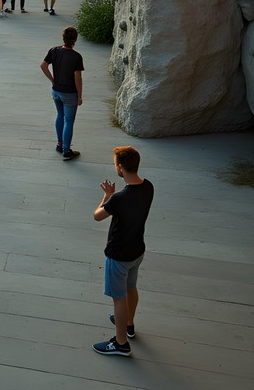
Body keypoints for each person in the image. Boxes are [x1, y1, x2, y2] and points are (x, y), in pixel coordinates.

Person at [92, 146, 154, 357]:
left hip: (118, 254)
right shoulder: (148, 187)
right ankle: (129, 324)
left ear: (120, 167)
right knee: (131, 288)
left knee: (118, 298)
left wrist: (108, 195)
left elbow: (97, 216)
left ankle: (120, 344)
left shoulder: (119, 198)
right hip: (138, 250)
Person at [40, 26, 85, 159]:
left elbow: (43, 65)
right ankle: (67, 150)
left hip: (56, 91)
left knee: (60, 115)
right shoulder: (76, 57)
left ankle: (59, 144)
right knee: (69, 120)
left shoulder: (54, 50)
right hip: (70, 93)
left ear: (63, 38)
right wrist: (80, 95)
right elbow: (77, 77)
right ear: (75, 40)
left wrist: (52, 80)